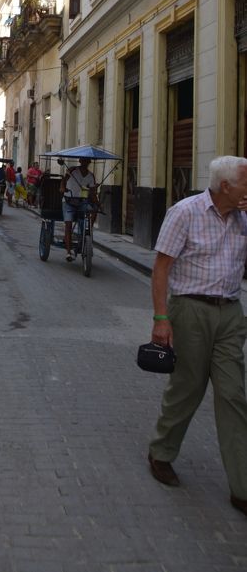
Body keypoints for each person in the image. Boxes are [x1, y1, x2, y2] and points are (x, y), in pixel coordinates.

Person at [147, 156, 247, 516]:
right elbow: (161, 268)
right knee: (187, 388)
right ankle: (161, 452)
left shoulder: (244, 218)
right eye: (245, 183)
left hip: (231, 314)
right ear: (226, 187)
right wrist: (161, 318)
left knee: (234, 394)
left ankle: (242, 487)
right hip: (190, 310)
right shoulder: (184, 213)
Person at [60, 157, 98, 261]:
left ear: (89, 162)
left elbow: (93, 193)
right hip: (69, 201)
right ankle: (68, 252)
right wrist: (63, 187)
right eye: (83, 161)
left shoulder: (91, 176)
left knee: (94, 210)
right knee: (68, 224)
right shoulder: (72, 170)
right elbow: (63, 181)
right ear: (80, 161)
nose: (85, 163)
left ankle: (88, 233)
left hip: (82, 202)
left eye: (87, 161)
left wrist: (98, 203)